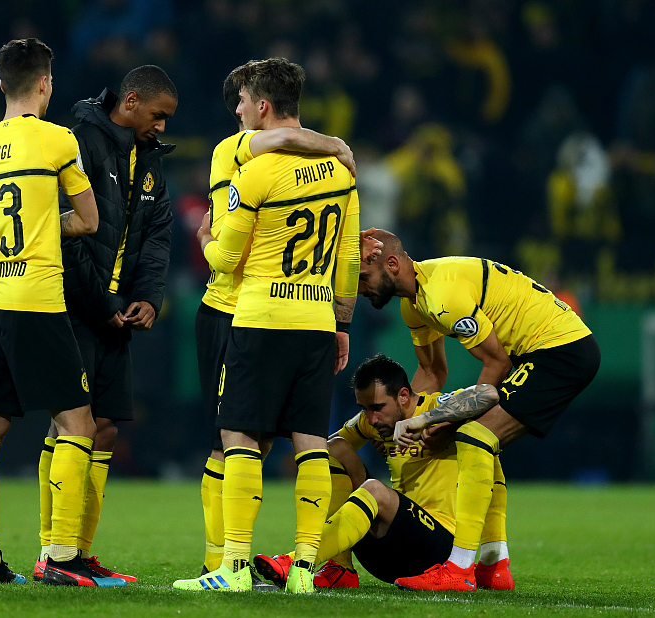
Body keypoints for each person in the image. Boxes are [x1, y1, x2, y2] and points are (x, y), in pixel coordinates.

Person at [173, 57, 360, 594]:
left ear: (262, 105)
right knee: (309, 441)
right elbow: (349, 255)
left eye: (242, 101)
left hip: (253, 313)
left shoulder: (250, 169)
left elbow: (227, 256)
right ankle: (303, 569)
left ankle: (230, 565)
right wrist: (342, 323)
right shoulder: (340, 171)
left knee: (236, 439)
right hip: (315, 317)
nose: (236, 110)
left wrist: (205, 241)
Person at [0, 39, 123, 589]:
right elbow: (89, 220)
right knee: (78, 424)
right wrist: (52, 226)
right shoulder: (56, 139)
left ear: (2, 84)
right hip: (36, 301)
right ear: (45, 83)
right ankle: (61, 556)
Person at [357, 230, 600, 591]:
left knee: (473, 437)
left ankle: (459, 568)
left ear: (391, 264)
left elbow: (496, 363)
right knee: (483, 441)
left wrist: (444, 422)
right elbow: (432, 373)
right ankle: (493, 566)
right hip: (545, 351)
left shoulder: (442, 296)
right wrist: (399, 426)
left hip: (558, 349)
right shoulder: (415, 303)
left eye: (364, 277)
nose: (360, 288)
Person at [34, 65, 177, 583]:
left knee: (106, 428)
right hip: (76, 307)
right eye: (158, 115)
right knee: (70, 425)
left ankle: (79, 551)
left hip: (115, 313)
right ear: (131, 101)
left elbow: (158, 235)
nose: (162, 126)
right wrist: (101, 300)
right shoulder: (81, 142)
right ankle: (54, 552)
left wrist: (148, 298)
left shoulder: (151, 161)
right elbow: (63, 228)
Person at [253, 354, 514, 590]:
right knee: (335, 449)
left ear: (403, 396)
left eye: (378, 407)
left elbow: (488, 394)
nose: (372, 418)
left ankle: (299, 560)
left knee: (375, 490)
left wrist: (423, 421)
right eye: (364, 408)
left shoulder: (433, 408)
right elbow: (326, 447)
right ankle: (340, 567)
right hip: (390, 551)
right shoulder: (372, 424)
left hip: (440, 548)